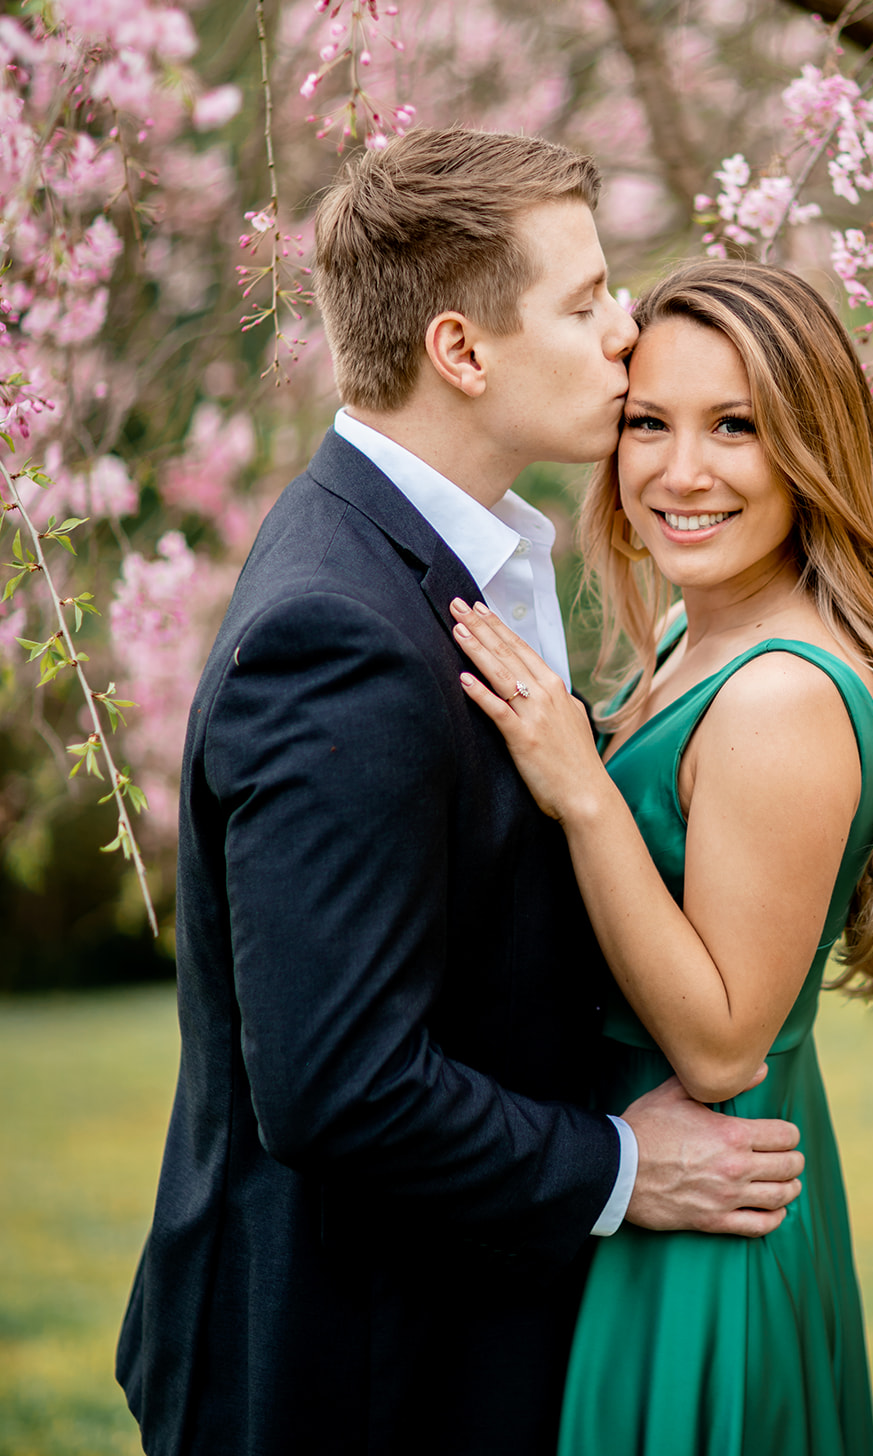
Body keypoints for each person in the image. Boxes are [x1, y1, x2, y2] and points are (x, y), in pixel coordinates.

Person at [115, 135, 807, 1456]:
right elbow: (337, 1086)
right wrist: (616, 1167)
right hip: (353, 1371)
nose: (626, 331)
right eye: (584, 298)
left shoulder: (452, 554)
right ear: (461, 351)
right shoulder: (342, 635)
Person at [450, 258, 873, 1456]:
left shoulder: (779, 694)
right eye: (647, 422)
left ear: (807, 446)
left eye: (734, 427)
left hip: (703, 1225)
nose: (677, 471)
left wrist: (581, 791)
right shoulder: (705, 629)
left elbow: (721, 1039)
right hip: (638, 1191)